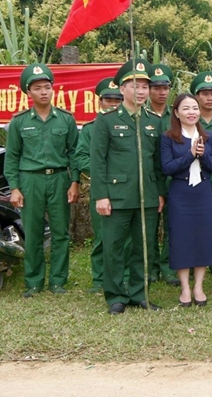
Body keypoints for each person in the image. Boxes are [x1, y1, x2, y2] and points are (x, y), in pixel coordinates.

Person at [90, 59, 166, 313]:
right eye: (135, 85)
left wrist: (160, 193)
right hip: (117, 195)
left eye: (145, 86)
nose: (142, 91)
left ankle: (139, 293)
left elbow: (157, 162)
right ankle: (115, 296)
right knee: (113, 247)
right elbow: (98, 161)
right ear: (122, 89)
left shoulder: (154, 121)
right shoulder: (107, 121)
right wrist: (101, 196)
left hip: (148, 196)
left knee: (143, 248)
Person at [5, 64, 80, 297]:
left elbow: (74, 153)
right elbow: (12, 157)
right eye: (38, 88)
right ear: (29, 93)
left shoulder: (66, 120)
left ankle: (57, 281)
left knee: (60, 233)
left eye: (47, 87)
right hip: (30, 181)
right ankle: (34, 282)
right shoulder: (19, 122)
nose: (44, 92)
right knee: (33, 232)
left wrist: (75, 182)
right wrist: (15, 188)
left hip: (59, 179)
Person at [161, 93, 212, 307]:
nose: (191, 112)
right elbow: (167, 168)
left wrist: (203, 154)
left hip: (202, 193)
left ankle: (199, 286)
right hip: (180, 193)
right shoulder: (168, 138)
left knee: (203, 237)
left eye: (194, 108)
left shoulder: (209, 137)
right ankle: (185, 287)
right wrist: (190, 154)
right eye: (186, 108)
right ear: (176, 112)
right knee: (182, 238)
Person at [75, 77, 124, 293]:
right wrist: (103, 172)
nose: (113, 104)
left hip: (124, 187)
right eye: (108, 100)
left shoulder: (130, 125)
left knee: (126, 237)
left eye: (118, 100)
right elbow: (82, 157)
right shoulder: (89, 129)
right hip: (101, 187)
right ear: (100, 102)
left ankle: (126, 277)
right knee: (102, 236)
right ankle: (99, 278)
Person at [190, 71, 212, 278]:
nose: (209, 98)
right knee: (191, 223)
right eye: (204, 94)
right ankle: (191, 262)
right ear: (197, 97)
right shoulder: (190, 117)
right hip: (192, 179)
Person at [148, 63, 177, 286]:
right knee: (148, 227)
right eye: (156, 88)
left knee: (171, 226)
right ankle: (151, 268)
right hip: (147, 180)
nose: (161, 92)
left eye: (165, 88)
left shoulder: (175, 116)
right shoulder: (141, 114)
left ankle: (168, 267)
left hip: (172, 179)